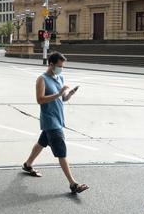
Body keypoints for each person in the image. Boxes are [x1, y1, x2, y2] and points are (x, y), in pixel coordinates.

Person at [22, 51, 89, 194]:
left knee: (41, 143)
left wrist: (69, 94)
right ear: (51, 64)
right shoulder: (42, 79)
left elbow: (62, 99)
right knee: (61, 152)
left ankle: (28, 165)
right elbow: (40, 100)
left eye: (62, 66)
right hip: (50, 120)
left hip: (58, 118)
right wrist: (59, 93)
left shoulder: (60, 77)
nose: (61, 68)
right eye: (59, 66)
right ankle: (73, 184)